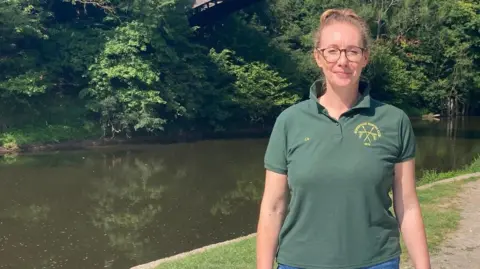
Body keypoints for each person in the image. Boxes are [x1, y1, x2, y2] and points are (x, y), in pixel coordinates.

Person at [256, 8, 431, 269]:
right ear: (318, 57)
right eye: (333, 50)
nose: (343, 61)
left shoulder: (394, 121)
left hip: (376, 262)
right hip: (300, 263)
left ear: (365, 57)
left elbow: (408, 206)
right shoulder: (289, 122)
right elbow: (272, 208)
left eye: (352, 51)